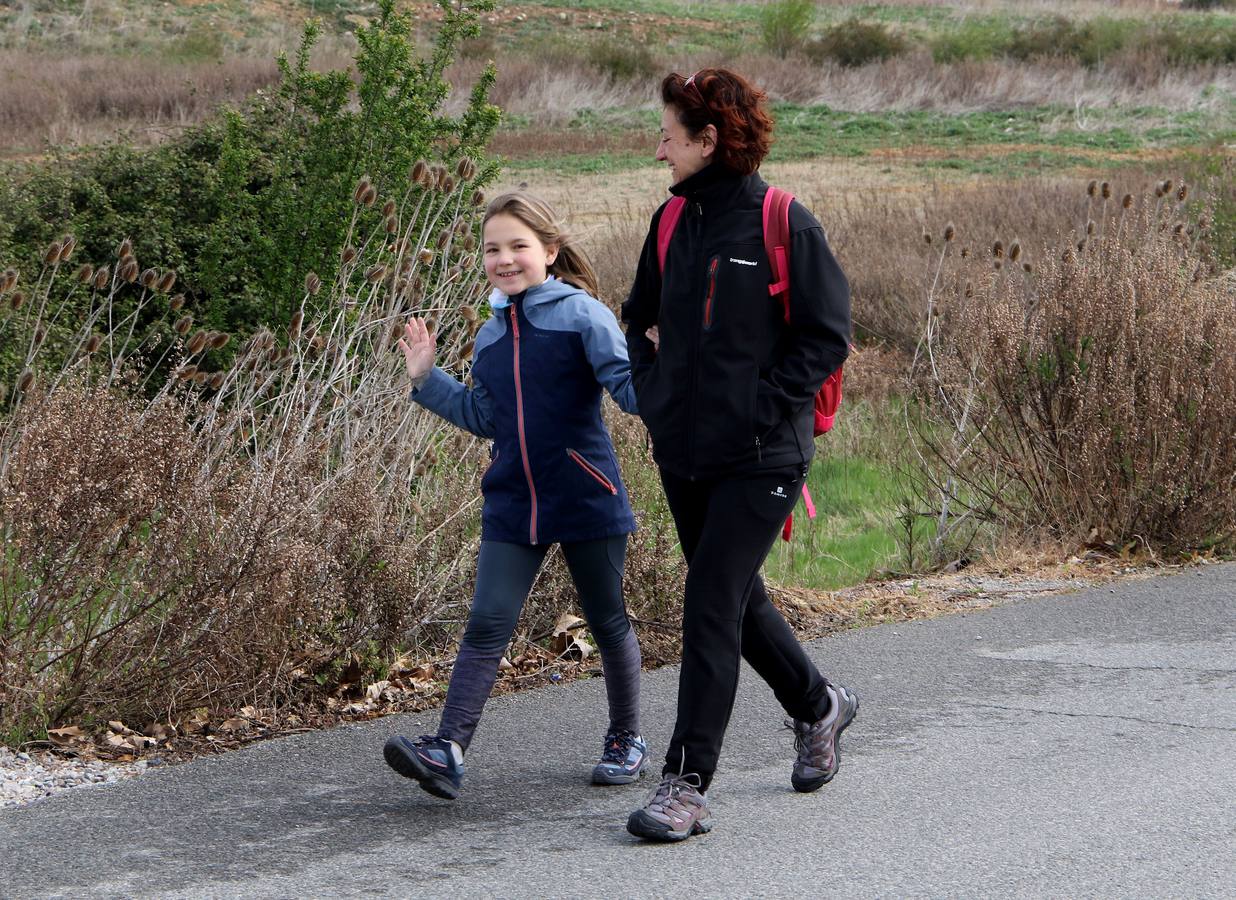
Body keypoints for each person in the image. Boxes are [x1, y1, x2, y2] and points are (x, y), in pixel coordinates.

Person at [621, 69, 856, 841]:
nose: (659, 150)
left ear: (709, 140)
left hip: (764, 457)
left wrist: (759, 406)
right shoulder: (670, 222)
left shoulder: (786, 222)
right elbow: (638, 319)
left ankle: (686, 784)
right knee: (734, 597)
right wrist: (653, 390)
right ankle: (819, 704)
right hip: (684, 451)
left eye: (669, 136)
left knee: (709, 603)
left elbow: (826, 337)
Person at [383, 192, 648, 800]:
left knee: (607, 621)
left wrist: (662, 357)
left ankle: (626, 739)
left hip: (586, 491)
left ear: (549, 253)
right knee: (486, 622)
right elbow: (485, 416)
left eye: (518, 246)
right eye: (492, 249)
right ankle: (447, 751)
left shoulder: (584, 315)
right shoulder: (490, 334)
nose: (505, 259)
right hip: (512, 499)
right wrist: (427, 377)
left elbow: (631, 393)